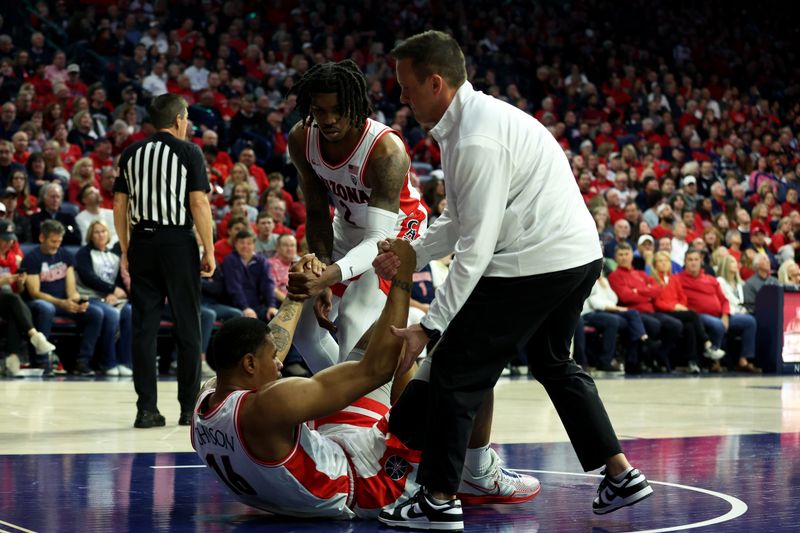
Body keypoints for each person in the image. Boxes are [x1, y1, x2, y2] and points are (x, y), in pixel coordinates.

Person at [373, 31, 651, 530]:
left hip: (537, 261)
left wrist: (429, 327)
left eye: (407, 86)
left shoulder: (476, 138)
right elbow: (459, 222)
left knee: (456, 369)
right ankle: (621, 475)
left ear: (435, 82)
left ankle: (437, 499)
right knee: (552, 362)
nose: (401, 96)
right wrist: (412, 252)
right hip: (576, 257)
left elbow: (475, 251)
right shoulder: (468, 125)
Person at [193, 242, 538, 522]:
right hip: (367, 482)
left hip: (331, 450)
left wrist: (300, 293)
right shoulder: (268, 405)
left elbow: (269, 344)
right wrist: (402, 279)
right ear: (250, 365)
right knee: (470, 351)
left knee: (390, 337)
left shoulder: (208, 399)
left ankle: (419, 442)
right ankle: (478, 473)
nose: (280, 364)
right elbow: (377, 370)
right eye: (272, 360)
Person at [285, 59, 427, 372]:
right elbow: (318, 211)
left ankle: (413, 323)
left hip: (397, 230)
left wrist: (330, 275)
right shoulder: (301, 138)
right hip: (347, 225)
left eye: (338, 109)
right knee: (306, 329)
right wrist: (322, 270)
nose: (329, 119)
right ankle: (334, 406)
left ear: (357, 106)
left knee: (352, 318)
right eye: (319, 110)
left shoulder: (386, 150)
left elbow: (377, 239)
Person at [113, 93, 215, 428]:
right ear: (179, 119)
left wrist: (126, 250)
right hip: (176, 241)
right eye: (186, 117)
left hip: (141, 241)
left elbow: (119, 205)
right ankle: (189, 409)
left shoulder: (131, 153)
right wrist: (209, 250)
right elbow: (199, 203)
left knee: (144, 328)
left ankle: (146, 410)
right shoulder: (188, 152)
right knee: (188, 324)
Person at [22, 219, 108, 376]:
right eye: (53, 241)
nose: (56, 245)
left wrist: (76, 301)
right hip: (40, 302)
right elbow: (34, 292)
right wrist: (61, 303)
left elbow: (71, 288)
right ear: (42, 238)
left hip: (62, 303)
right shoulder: (32, 258)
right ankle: (42, 361)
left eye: (59, 241)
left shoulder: (65, 255)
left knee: (95, 313)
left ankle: (83, 362)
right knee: (46, 308)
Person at [677, 250, 761, 373]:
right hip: (699, 316)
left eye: (696, 259)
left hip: (721, 315)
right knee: (717, 324)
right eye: (690, 260)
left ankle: (743, 360)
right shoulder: (679, 279)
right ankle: (714, 361)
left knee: (750, 321)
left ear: (701, 261)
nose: (693, 263)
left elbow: (724, 300)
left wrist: (725, 314)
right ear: (685, 262)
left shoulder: (711, 279)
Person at [74, 220, 132, 376]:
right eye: (96, 232)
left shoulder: (114, 254)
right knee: (111, 314)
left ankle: (125, 361)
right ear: (90, 235)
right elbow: (88, 278)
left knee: (130, 312)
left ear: (108, 234)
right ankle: (107, 362)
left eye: (103, 231)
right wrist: (112, 289)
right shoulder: (84, 253)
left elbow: (120, 277)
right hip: (90, 296)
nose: (100, 235)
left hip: (113, 297)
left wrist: (115, 293)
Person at [651, 251, 723, 373]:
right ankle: (707, 344)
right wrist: (674, 306)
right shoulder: (653, 280)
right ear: (655, 264)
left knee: (689, 326)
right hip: (663, 311)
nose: (664, 264)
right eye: (660, 261)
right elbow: (657, 302)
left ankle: (692, 362)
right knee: (693, 315)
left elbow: (682, 296)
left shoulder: (674, 279)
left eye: (666, 261)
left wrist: (682, 306)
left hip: (677, 310)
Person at [0, 219, 56, 375]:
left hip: (8, 301)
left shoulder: (15, 259)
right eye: (4, 239)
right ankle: (36, 337)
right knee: (13, 300)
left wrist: (20, 283)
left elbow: (19, 291)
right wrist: (3, 280)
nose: (7, 243)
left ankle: (12, 359)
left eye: (10, 239)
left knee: (15, 309)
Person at [221, 229, 278, 322]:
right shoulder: (230, 260)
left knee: (274, 316)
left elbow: (268, 284)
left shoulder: (262, 261)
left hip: (258, 305)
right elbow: (234, 288)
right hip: (236, 305)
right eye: (242, 242)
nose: (245, 246)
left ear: (254, 246)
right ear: (235, 244)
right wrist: (245, 308)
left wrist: (271, 306)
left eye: (249, 243)